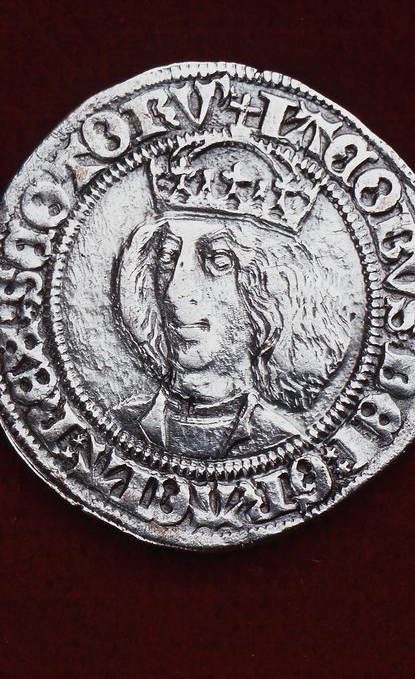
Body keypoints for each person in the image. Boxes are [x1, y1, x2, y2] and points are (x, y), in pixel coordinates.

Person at [113, 135, 350, 459]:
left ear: (271, 290)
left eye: (218, 262)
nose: (173, 291)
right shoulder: (122, 421)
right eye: (168, 256)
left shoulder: (285, 443)